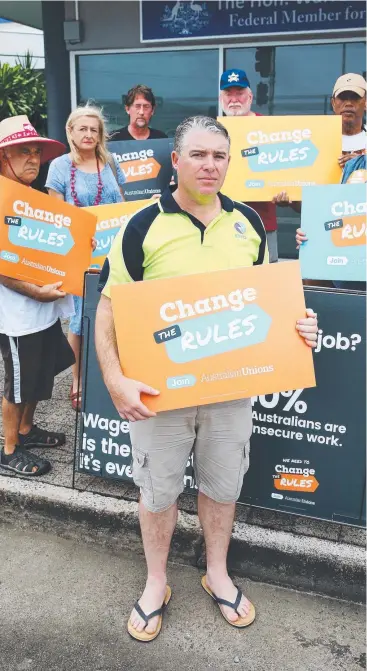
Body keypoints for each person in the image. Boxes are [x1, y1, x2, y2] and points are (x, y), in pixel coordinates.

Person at [95, 116, 318, 641]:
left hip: (229, 389)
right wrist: (115, 380)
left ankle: (216, 573)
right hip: (159, 395)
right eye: (198, 155)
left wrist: (300, 326)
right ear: (175, 161)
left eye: (219, 156)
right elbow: (107, 311)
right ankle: (155, 583)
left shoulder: (248, 225)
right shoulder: (141, 225)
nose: (210, 165)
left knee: (222, 487)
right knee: (157, 491)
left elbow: (273, 301)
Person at [0, 115, 75, 477]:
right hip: (15, 313)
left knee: (42, 372)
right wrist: (33, 290)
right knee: (17, 382)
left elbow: (60, 247)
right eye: (22, 152)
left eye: (35, 152)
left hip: (44, 309)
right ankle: (9, 448)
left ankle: (27, 430)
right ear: (3, 158)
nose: (33, 159)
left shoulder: (38, 197)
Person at [46, 103, 126, 411]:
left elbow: (121, 205)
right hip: (80, 253)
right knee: (80, 318)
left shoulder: (111, 162)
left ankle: (112, 376)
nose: (89, 134)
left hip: (112, 252)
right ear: (70, 131)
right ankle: (78, 379)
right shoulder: (59, 167)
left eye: (94, 129)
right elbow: (56, 215)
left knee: (113, 312)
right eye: (82, 128)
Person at [219, 68, 281, 263]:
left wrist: (286, 190)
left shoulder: (270, 129)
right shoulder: (214, 130)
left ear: (250, 96)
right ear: (221, 98)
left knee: (267, 283)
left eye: (240, 93)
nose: (234, 99)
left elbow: (285, 170)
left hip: (263, 223)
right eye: (229, 94)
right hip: (222, 223)